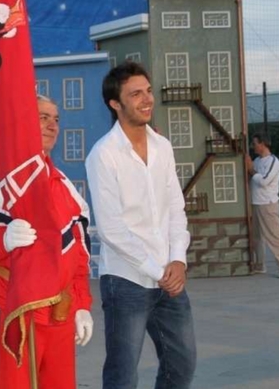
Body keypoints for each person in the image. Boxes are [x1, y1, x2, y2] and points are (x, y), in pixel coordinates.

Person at [0, 95, 94, 389]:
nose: (52, 125)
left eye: (56, 119)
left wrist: (81, 305)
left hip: (59, 314)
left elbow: (78, 252)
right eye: (43, 117)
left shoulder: (64, 185)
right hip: (11, 306)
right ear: (23, 123)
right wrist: (2, 240)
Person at [85, 61, 196, 389]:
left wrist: (178, 259)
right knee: (122, 374)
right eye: (136, 94)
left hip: (169, 276)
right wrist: (156, 269)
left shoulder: (163, 147)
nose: (147, 99)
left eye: (148, 91)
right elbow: (111, 228)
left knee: (182, 363)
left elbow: (176, 206)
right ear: (115, 104)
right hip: (126, 280)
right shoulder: (103, 155)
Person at [245, 133, 279, 278]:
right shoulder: (257, 161)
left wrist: (251, 169)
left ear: (263, 144)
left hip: (268, 204)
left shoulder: (273, 161)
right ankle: (260, 265)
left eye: (255, 143)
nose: (253, 146)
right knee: (257, 237)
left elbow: (264, 181)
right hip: (255, 203)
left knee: (274, 236)